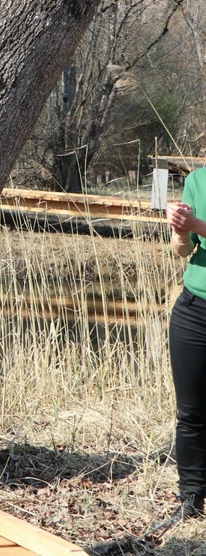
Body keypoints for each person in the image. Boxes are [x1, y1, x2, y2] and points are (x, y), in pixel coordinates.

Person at [164, 171, 206, 524]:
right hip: (194, 311)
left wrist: (196, 223)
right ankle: (191, 498)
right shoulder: (197, 179)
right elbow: (183, 250)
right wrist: (180, 229)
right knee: (190, 414)